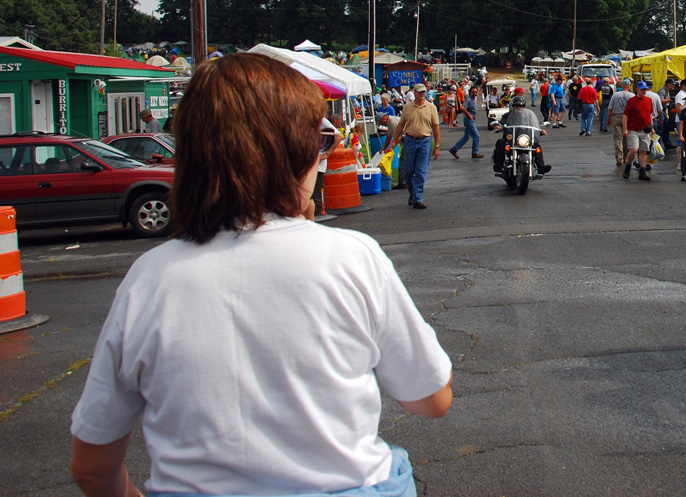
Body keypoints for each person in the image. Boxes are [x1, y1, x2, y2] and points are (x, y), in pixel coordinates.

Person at [69, 54, 452, 497]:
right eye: (321, 141)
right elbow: (432, 398)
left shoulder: (150, 278)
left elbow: (92, 466)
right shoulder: (350, 258)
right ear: (294, 153)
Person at [389, 82, 441, 210]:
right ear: (415, 93)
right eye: (420, 92)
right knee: (408, 171)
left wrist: (437, 146)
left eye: (424, 92)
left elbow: (436, 127)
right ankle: (413, 193)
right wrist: (395, 140)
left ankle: (418, 198)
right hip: (410, 140)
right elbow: (401, 125)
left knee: (421, 171)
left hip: (425, 141)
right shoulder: (407, 108)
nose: (423, 94)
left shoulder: (431, 107)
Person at [491, 96, 552, 175]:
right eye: (516, 106)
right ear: (513, 107)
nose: (518, 108)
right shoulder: (508, 115)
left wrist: (540, 130)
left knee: (536, 146)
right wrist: (498, 126)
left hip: (524, 139)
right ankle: (499, 166)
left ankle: (540, 167)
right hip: (511, 139)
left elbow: (533, 125)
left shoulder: (528, 116)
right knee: (500, 142)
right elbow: (502, 122)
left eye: (520, 106)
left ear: (523, 106)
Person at [622, 81, 654, 181]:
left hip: (645, 129)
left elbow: (650, 114)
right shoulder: (631, 101)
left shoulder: (649, 100)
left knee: (643, 151)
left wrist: (652, 127)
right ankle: (628, 166)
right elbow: (625, 115)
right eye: (642, 89)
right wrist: (625, 129)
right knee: (633, 150)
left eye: (645, 89)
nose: (644, 91)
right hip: (633, 129)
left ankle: (642, 172)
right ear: (637, 89)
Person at [449, 84, 484, 159]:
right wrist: (469, 115)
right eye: (473, 92)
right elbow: (462, 108)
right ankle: (475, 152)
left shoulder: (473, 100)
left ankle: (454, 149)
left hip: (471, 120)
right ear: (470, 92)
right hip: (469, 120)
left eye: (475, 92)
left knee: (466, 137)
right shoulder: (469, 100)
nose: (474, 94)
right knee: (476, 136)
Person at [606, 78, 634, 166]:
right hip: (629, 118)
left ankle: (619, 157)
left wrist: (608, 118)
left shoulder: (615, 95)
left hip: (617, 116)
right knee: (627, 138)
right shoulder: (632, 96)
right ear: (629, 86)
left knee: (618, 138)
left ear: (622, 86)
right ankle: (626, 157)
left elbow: (610, 108)